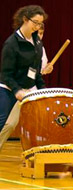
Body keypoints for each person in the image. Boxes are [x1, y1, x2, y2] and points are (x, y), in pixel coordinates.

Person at [0, 5, 47, 151]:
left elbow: (36, 72)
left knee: (37, 123)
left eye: (41, 23)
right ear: (25, 20)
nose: (38, 26)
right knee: (4, 123)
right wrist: (17, 91)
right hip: (9, 88)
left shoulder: (37, 43)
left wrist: (43, 90)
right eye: (35, 22)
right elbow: (6, 74)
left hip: (28, 89)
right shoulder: (11, 44)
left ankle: (34, 154)